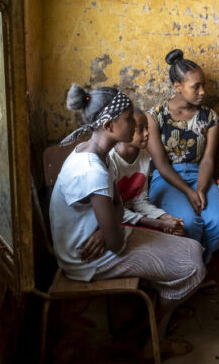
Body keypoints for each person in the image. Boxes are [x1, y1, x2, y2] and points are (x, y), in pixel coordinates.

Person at [50, 84, 205, 354]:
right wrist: (108, 228)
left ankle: (146, 326)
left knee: (193, 249)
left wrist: (106, 226)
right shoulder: (93, 170)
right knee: (193, 267)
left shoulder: (97, 154)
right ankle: (153, 336)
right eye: (128, 118)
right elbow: (116, 243)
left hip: (102, 239)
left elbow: (118, 210)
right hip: (86, 258)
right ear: (109, 125)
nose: (135, 122)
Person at [147, 49, 219, 263]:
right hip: (167, 179)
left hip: (200, 175)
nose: (202, 91)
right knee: (187, 223)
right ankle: (189, 271)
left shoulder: (210, 118)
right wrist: (189, 192)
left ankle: (199, 267)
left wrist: (199, 188)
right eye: (195, 87)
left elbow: (207, 160)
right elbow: (161, 164)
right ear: (177, 87)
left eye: (203, 85)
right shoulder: (155, 116)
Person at [108, 108, 185, 235]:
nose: (147, 133)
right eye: (140, 129)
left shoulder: (144, 156)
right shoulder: (110, 161)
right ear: (125, 129)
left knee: (175, 232)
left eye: (147, 128)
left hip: (131, 215)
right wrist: (159, 223)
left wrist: (163, 217)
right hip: (113, 220)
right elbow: (113, 211)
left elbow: (139, 200)